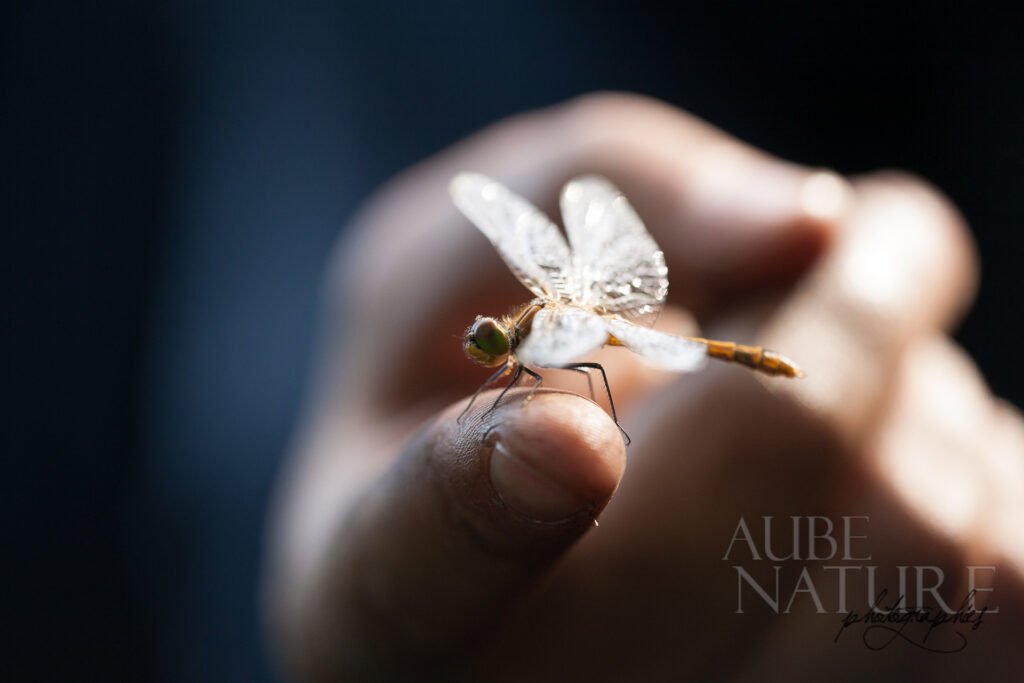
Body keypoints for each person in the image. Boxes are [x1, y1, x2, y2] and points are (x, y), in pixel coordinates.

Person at [262, 93, 1024, 681]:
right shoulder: (528, 336)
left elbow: (571, 368)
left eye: (491, 341)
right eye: (488, 341)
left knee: (591, 376)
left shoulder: (546, 337)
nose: (486, 346)